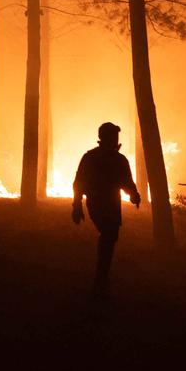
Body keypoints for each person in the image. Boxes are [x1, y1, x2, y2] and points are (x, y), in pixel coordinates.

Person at [72, 122, 141, 299]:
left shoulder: (93, 157)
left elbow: (126, 182)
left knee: (109, 236)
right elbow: (79, 183)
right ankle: (101, 280)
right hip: (104, 204)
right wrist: (77, 205)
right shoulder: (116, 159)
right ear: (106, 138)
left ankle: (102, 278)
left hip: (103, 203)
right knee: (109, 236)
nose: (116, 140)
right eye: (113, 137)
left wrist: (134, 195)